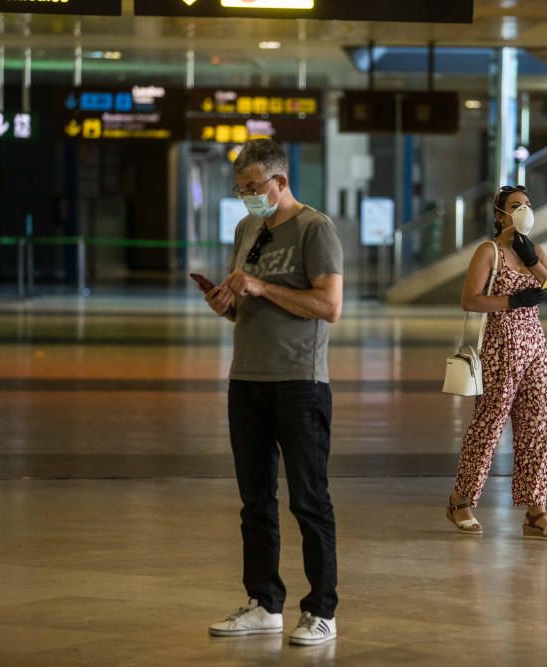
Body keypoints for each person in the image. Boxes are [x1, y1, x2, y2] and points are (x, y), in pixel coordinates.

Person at [204, 139, 343, 646]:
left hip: (299, 383)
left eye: (254, 187)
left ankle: (321, 609)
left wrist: (262, 288)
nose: (247, 196)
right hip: (248, 381)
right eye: (241, 189)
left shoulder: (315, 229)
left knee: (309, 500)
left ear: (281, 182)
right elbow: (246, 308)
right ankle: (264, 602)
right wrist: (226, 302)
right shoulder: (247, 229)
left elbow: (329, 306)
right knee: (254, 501)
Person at [446, 185, 547, 541]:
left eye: (528, 205)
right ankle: (461, 501)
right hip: (500, 347)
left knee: (536, 426)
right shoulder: (490, 252)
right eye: (516, 206)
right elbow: (470, 300)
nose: (524, 211)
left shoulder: (536, 250)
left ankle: (535, 510)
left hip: (534, 349)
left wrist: (533, 261)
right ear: (500, 215)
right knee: (489, 424)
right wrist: (511, 301)